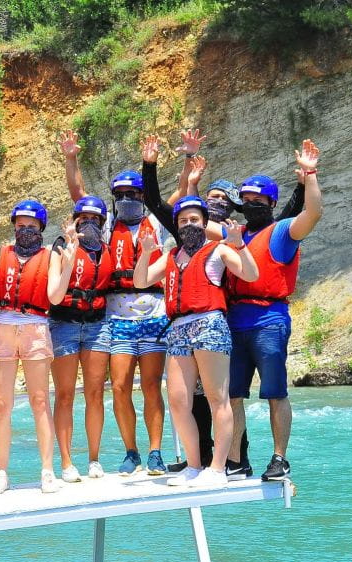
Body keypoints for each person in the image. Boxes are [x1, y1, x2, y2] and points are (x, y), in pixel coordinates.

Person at [59, 129, 168, 477]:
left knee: (151, 386)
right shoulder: (107, 228)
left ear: (142, 196)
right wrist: (71, 158)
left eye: (132, 194)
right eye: (120, 195)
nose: (126, 200)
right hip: (117, 319)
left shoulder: (156, 223)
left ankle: (155, 452)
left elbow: (179, 196)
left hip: (154, 314)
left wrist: (174, 167)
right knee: (119, 387)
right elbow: (80, 196)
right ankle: (131, 451)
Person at [134, 196, 258, 488]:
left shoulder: (219, 250)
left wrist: (239, 244)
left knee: (217, 398)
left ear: (204, 223)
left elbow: (251, 274)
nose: (188, 225)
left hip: (209, 324)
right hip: (178, 329)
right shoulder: (171, 256)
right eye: (182, 221)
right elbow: (141, 281)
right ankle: (193, 465)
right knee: (178, 401)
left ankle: (217, 469)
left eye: (194, 220)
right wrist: (146, 252)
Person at [226, 139, 322, 481]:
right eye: (247, 200)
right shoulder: (233, 234)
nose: (251, 205)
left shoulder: (282, 231)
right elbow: (188, 221)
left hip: (269, 320)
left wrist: (310, 175)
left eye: (259, 200)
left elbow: (313, 213)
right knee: (232, 395)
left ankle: (280, 458)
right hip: (235, 321)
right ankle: (236, 460)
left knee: (275, 392)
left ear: (271, 204)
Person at [0, 200, 77, 495]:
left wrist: (69, 265)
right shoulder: (1, 252)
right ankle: (1, 472)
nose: (26, 230)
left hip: (35, 328)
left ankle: (47, 470)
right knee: (2, 403)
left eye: (32, 226)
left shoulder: (50, 256)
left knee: (40, 400)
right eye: (20, 225)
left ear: (41, 228)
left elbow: (54, 297)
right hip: (2, 328)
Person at [49, 196, 113, 482]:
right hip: (64, 323)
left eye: (94, 219)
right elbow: (54, 289)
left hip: (97, 325)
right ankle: (66, 462)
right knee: (64, 394)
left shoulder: (106, 250)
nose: (89, 223)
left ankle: (94, 459)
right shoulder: (60, 247)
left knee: (95, 393)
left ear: (102, 222)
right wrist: (70, 255)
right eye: (83, 218)